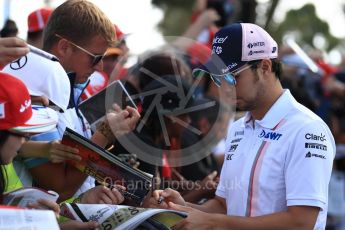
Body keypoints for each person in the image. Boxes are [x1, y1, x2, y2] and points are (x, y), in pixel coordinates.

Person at [148, 23, 335, 229]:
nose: (226, 88)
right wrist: (181, 208)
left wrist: (210, 222)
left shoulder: (307, 130)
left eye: (233, 77)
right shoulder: (237, 129)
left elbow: (301, 222)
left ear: (265, 67)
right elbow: (224, 205)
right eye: (218, 79)